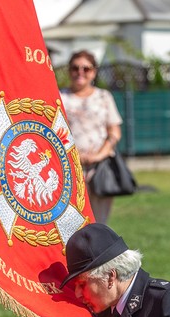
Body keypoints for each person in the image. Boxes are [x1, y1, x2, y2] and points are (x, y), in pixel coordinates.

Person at [60, 50, 123, 225]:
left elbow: (114, 131)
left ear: (94, 72)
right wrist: (74, 156)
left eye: (86, 69)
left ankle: (97, 253)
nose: (80, 72)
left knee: (99, 221)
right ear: (69, 71)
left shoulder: (103, 97)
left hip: (100, 167)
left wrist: (99, 155)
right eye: (75, 68)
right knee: (70, 221)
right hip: (68, 167)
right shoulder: (59, 97)